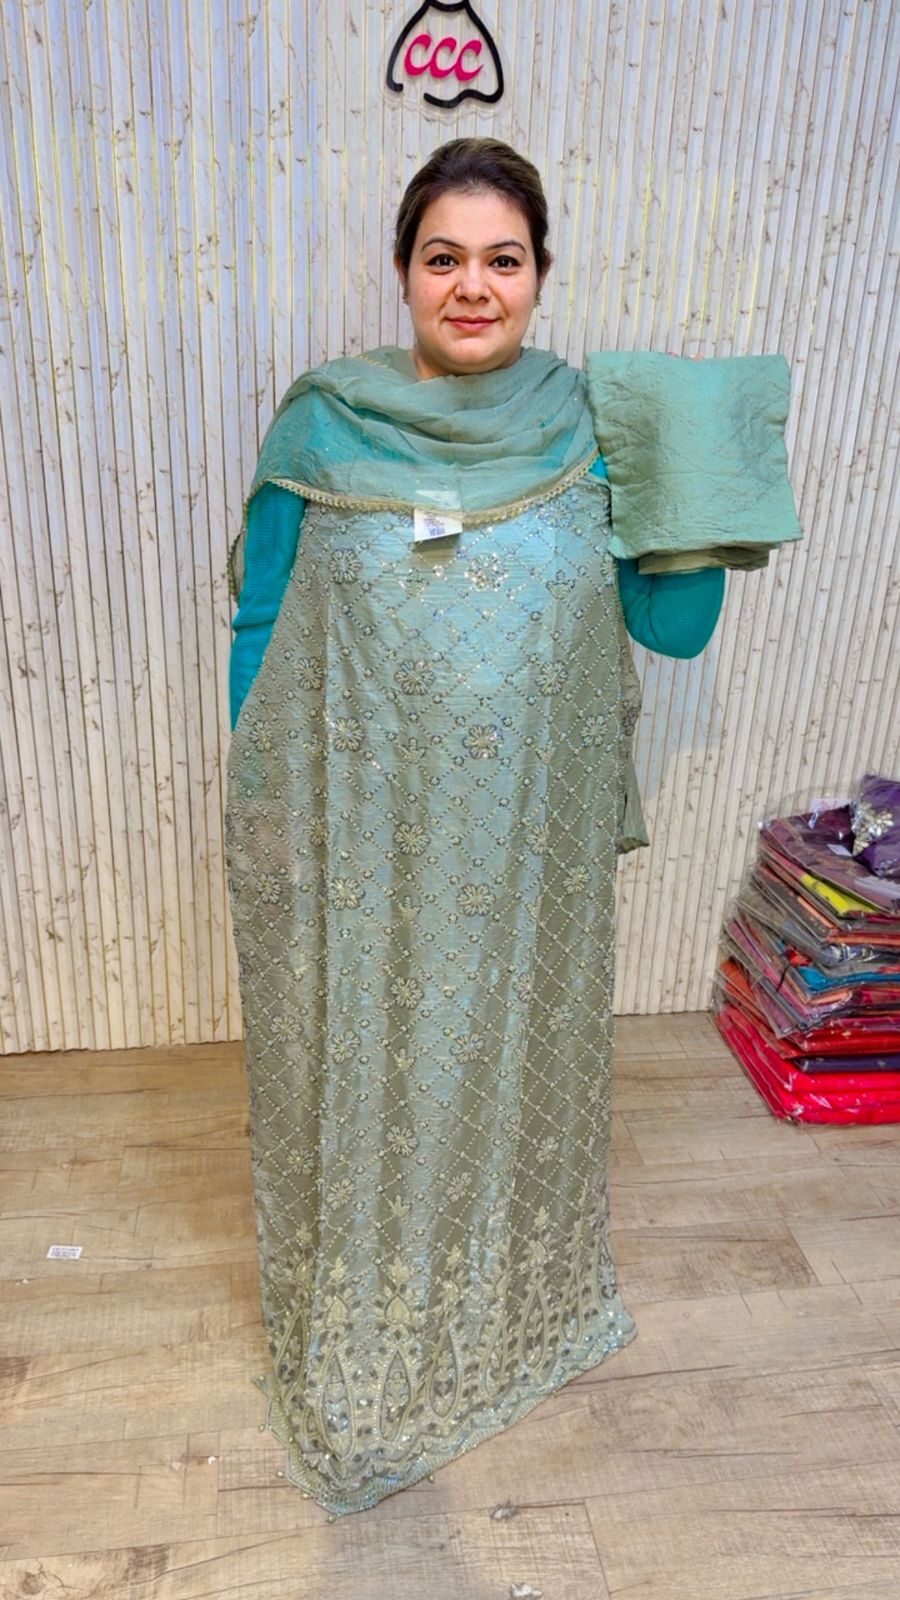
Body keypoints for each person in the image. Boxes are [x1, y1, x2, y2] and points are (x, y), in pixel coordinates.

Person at [223, 138, 725, 1518]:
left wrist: (695, 481)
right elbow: (265, 618)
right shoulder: (327, 427)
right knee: (374, 1072)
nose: (472, 286)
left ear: (540, 276)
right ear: (403, 272)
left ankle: (511, 1303)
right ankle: (376, 1308)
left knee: (506, 1068)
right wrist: (261, 805)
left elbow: (672, 627)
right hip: (369, 853)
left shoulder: (590, 429)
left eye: (503, 259)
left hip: (529, 861)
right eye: (443, 257)